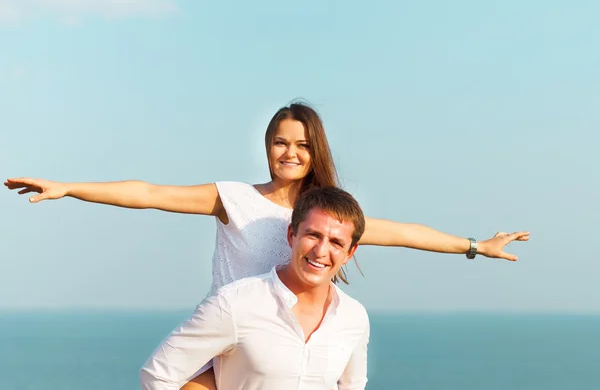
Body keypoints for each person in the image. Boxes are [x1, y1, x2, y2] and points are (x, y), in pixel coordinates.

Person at [4, 102, 529, 389]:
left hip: (289, 350)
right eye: (280, 142)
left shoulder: (326, 215)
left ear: (314, 149)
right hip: (229, 350)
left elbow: (405, 233)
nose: (290, 152)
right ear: (267, 147)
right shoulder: (232, 198)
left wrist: (475, 246)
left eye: (302, 144)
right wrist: (70, 188)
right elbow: (148, 193)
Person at [141, 186, 370, 390]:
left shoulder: (354, 317)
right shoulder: (235, 303)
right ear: (292, 235)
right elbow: (158, 375)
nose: (320, 251)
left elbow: (353, 386)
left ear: (350, 252)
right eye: (313, 235)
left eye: (336, 242)